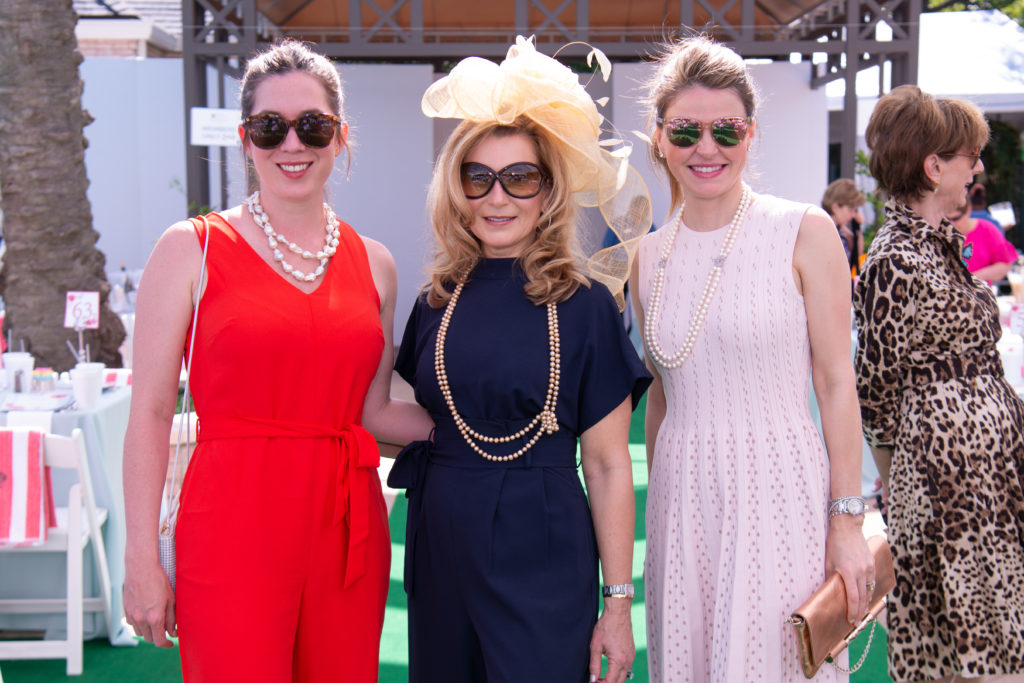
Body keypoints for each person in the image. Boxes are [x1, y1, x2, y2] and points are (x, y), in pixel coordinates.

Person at [122, 40, 432, 681]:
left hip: (347, 532)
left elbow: (373, 412)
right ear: (246, 139)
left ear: (339, 137)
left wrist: (485, 428)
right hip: (231, 524)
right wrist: (139, 558)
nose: (293, 144)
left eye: (312, 125)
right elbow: (149, 412)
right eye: (271, 127)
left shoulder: (376, 264)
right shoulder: (191, 249)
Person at [387, 36, 651, 683]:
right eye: (477, 177)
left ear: (548, 190)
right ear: (457, 188)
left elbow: (609, 465)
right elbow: (400, 417)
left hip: (546, 550)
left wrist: (618, 606)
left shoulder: (587, 306)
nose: (497, 197)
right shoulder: (435, 300)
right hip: (442, 546)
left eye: (520, 177)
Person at [631, 36, 874, 681]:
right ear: (660, 139)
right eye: (686, 131)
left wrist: (847, 521)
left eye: (726, 130)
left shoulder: (804, 230)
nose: (706, 148)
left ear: (751, 133)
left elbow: (836, 382)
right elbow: (662, 393)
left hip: (780, 493)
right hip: (682, 503)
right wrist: (660, 510)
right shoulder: (646, 259)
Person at [856, 85, 1024, 683]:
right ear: (933, 166)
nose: (976, 169)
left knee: (991, 639)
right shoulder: (894, 259)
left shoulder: (938, 247)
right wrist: (905, 488)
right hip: (944, 494)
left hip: (983, 487)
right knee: (955, 647)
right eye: (969, 157)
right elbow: (875, 392)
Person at [949, 201, 1019, 285]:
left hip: (978, 291)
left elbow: (1005, 265)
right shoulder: (942, 231)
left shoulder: (987, 229)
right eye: (948, 219)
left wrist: (973, 277)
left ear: (968, 210)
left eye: (956, 218)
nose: (951, 223)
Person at [822, 177, 867, 269]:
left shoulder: (839, 229)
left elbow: (857, 254)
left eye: (855, 210)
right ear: (835, 207)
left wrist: (858, 227)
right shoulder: (824, 230)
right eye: (850, 210)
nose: (853, 215)